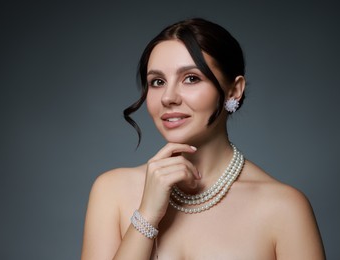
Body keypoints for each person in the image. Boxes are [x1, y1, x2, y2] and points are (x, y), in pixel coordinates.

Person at [81, 18, 326, 260]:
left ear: (234, 89)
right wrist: (146, 216)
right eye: (157, 82)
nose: (168, 97)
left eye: (191, 78)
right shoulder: (111, 191)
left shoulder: (284, 209)